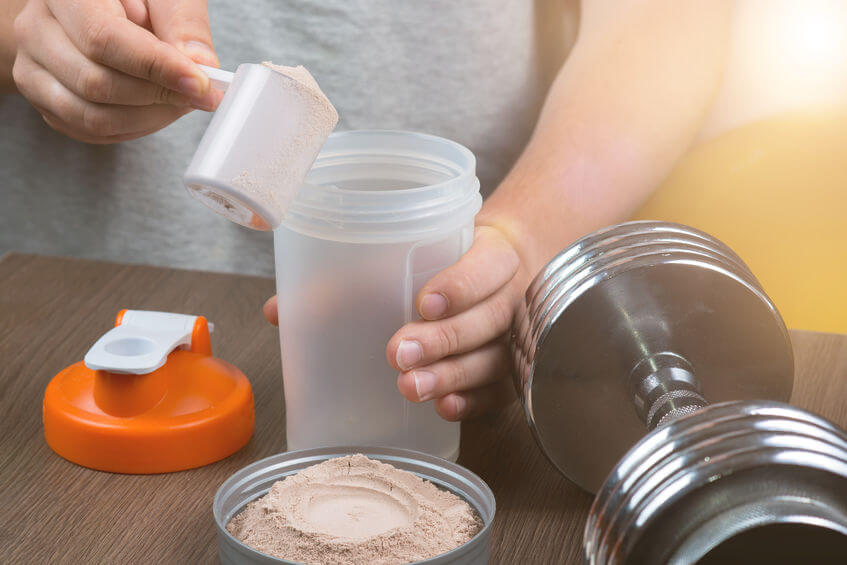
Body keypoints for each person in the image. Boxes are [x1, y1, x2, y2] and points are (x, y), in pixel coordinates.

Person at [3, 1, 732, 420]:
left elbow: (670, 16)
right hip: (71, 313)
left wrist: (523, 240)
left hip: (470, 330)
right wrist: (25, 25)